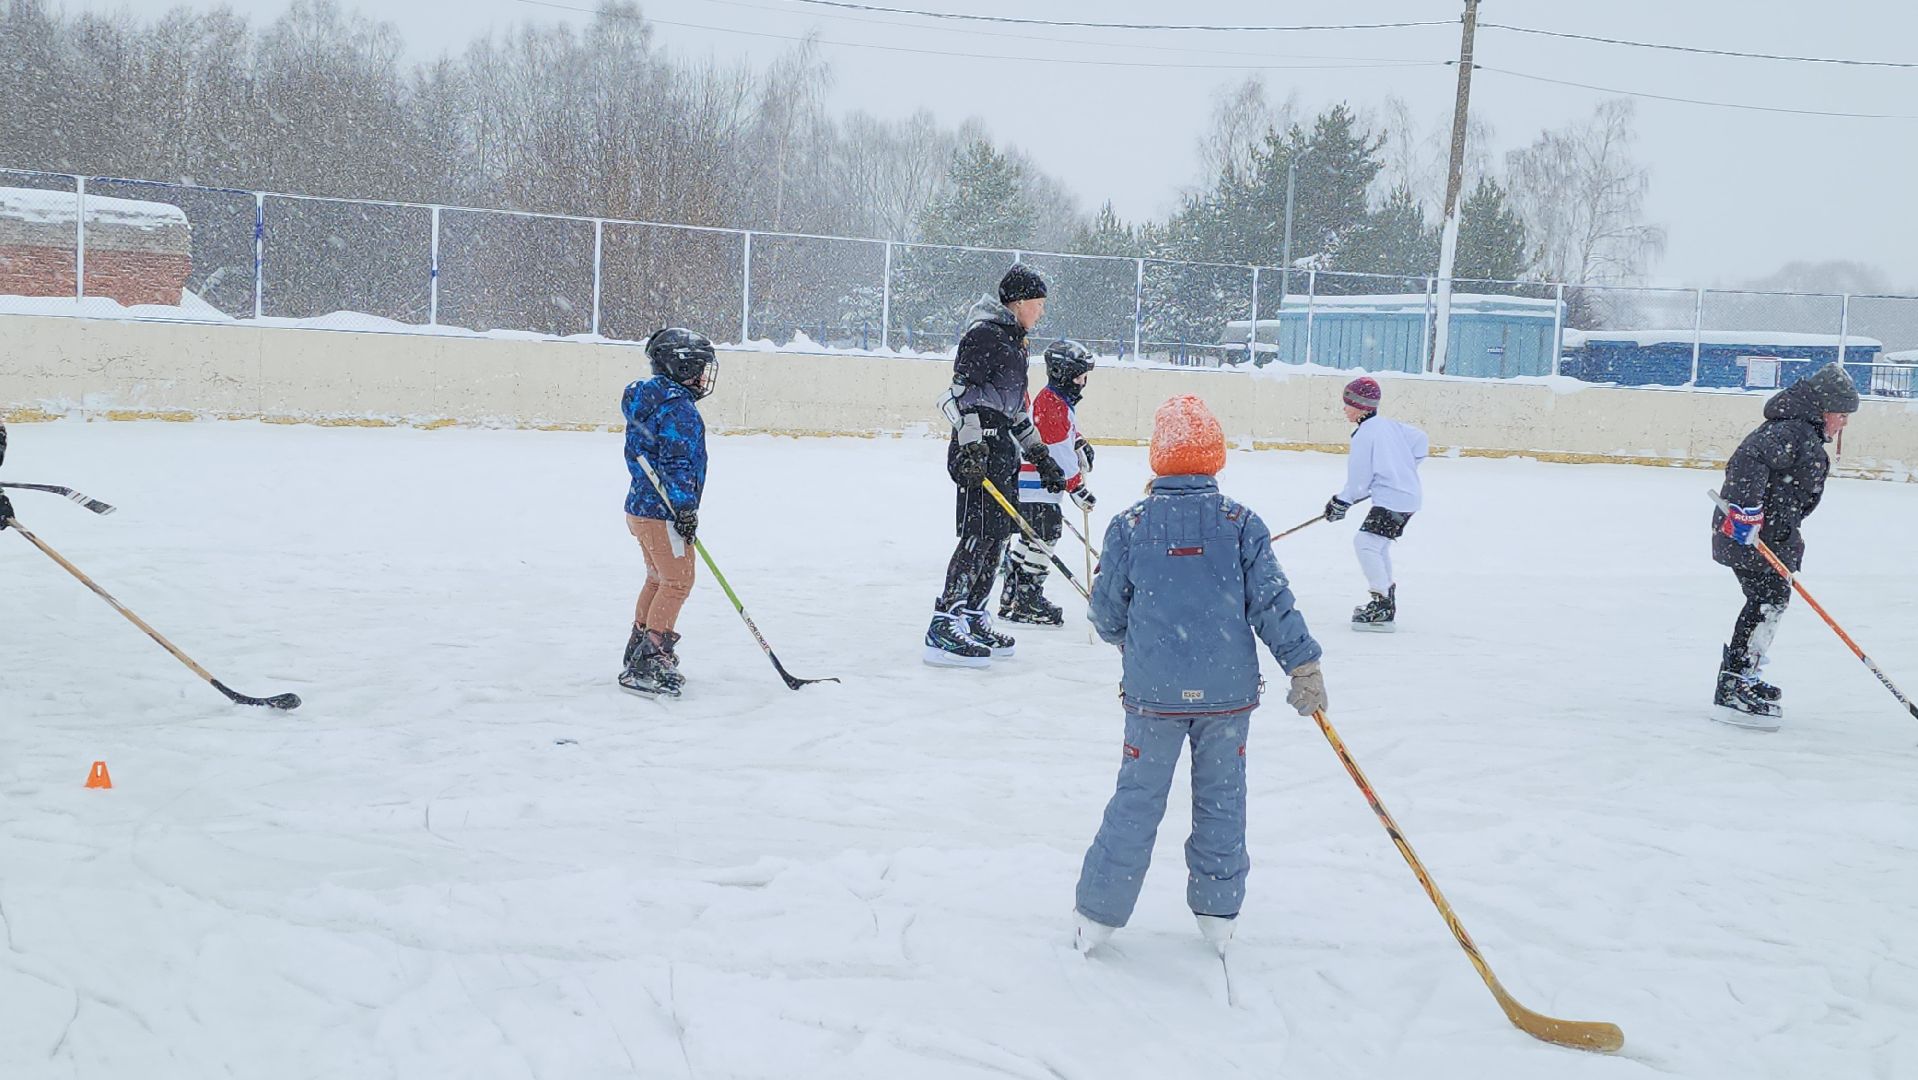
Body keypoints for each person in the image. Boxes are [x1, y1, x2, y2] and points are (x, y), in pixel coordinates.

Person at [1073, 395, 1326, 957]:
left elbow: (1107, 613)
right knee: (1222, 801)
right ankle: (1218, 912)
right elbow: (1273, 604)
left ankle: (1097, 916)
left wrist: (1131, 639)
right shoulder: (1241, 524)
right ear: (1215, 459)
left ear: (1159, 459)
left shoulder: (1130, 525)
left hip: (1153, 695)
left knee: (1136, 801)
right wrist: (1302, 665)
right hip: (1226, 696)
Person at [924, 263, 1068, 667]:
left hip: (1002, 445)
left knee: (998, 535)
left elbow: (1016, 409)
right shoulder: (983, 335)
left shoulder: (1017, 342)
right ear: (1018, 302)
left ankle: (973, 614)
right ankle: (944, 620)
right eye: (1037, 304)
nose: (1040, 312)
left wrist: (1040, 456)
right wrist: (970, 446)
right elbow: (959, 396)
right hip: (978, 446)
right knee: (977, 534)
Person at [1710, 360, 1860, 729]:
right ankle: (1735, 683)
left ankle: (1743, 676)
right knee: (1767, 600)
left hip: (1772, 537)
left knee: (1769, 600)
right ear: (1824, 409)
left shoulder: (1801, 432)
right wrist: (1747, 510)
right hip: (1749, 535)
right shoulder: (1792, 430)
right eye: (1841, 414)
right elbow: (1749, 459)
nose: (1844, 423)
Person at [619, 328, 719, 698]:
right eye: (698, 368)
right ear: (682, 366)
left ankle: (640, 647)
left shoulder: (650, 399)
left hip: (641, 509)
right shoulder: (678, 408)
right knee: (678, 581)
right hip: (662, 511)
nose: (703, 377)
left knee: (658, 579)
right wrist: (685, 508)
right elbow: (677, 462)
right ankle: (650, 659)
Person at [998, 338, 1097, 627]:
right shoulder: (1052, 404)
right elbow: (1059, 455)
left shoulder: (1055, 400)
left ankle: (1012, 594)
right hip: (1038, 487)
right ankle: (1027, 598)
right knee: (1044, 538)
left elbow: (1066, 437)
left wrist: (1080, 442)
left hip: (1035, 487)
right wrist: (1077, 487)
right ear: (1064, 375)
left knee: (1032, 537)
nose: (1083, 382)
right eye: (1080, 375)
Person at [1323, 377, 1428, 632]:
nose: (1344, 409)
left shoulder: (1364, 435)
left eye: (1348, 404)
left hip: (1393, 499)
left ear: (1360, 407)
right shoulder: (1389, 426)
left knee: (1365, 543)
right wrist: (1401, 469)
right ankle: (1385, 598)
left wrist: (1341, 502)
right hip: (1407, 496)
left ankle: (1381, 603)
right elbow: (1421, 441)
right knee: (1377, 545)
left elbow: (1359, 483)